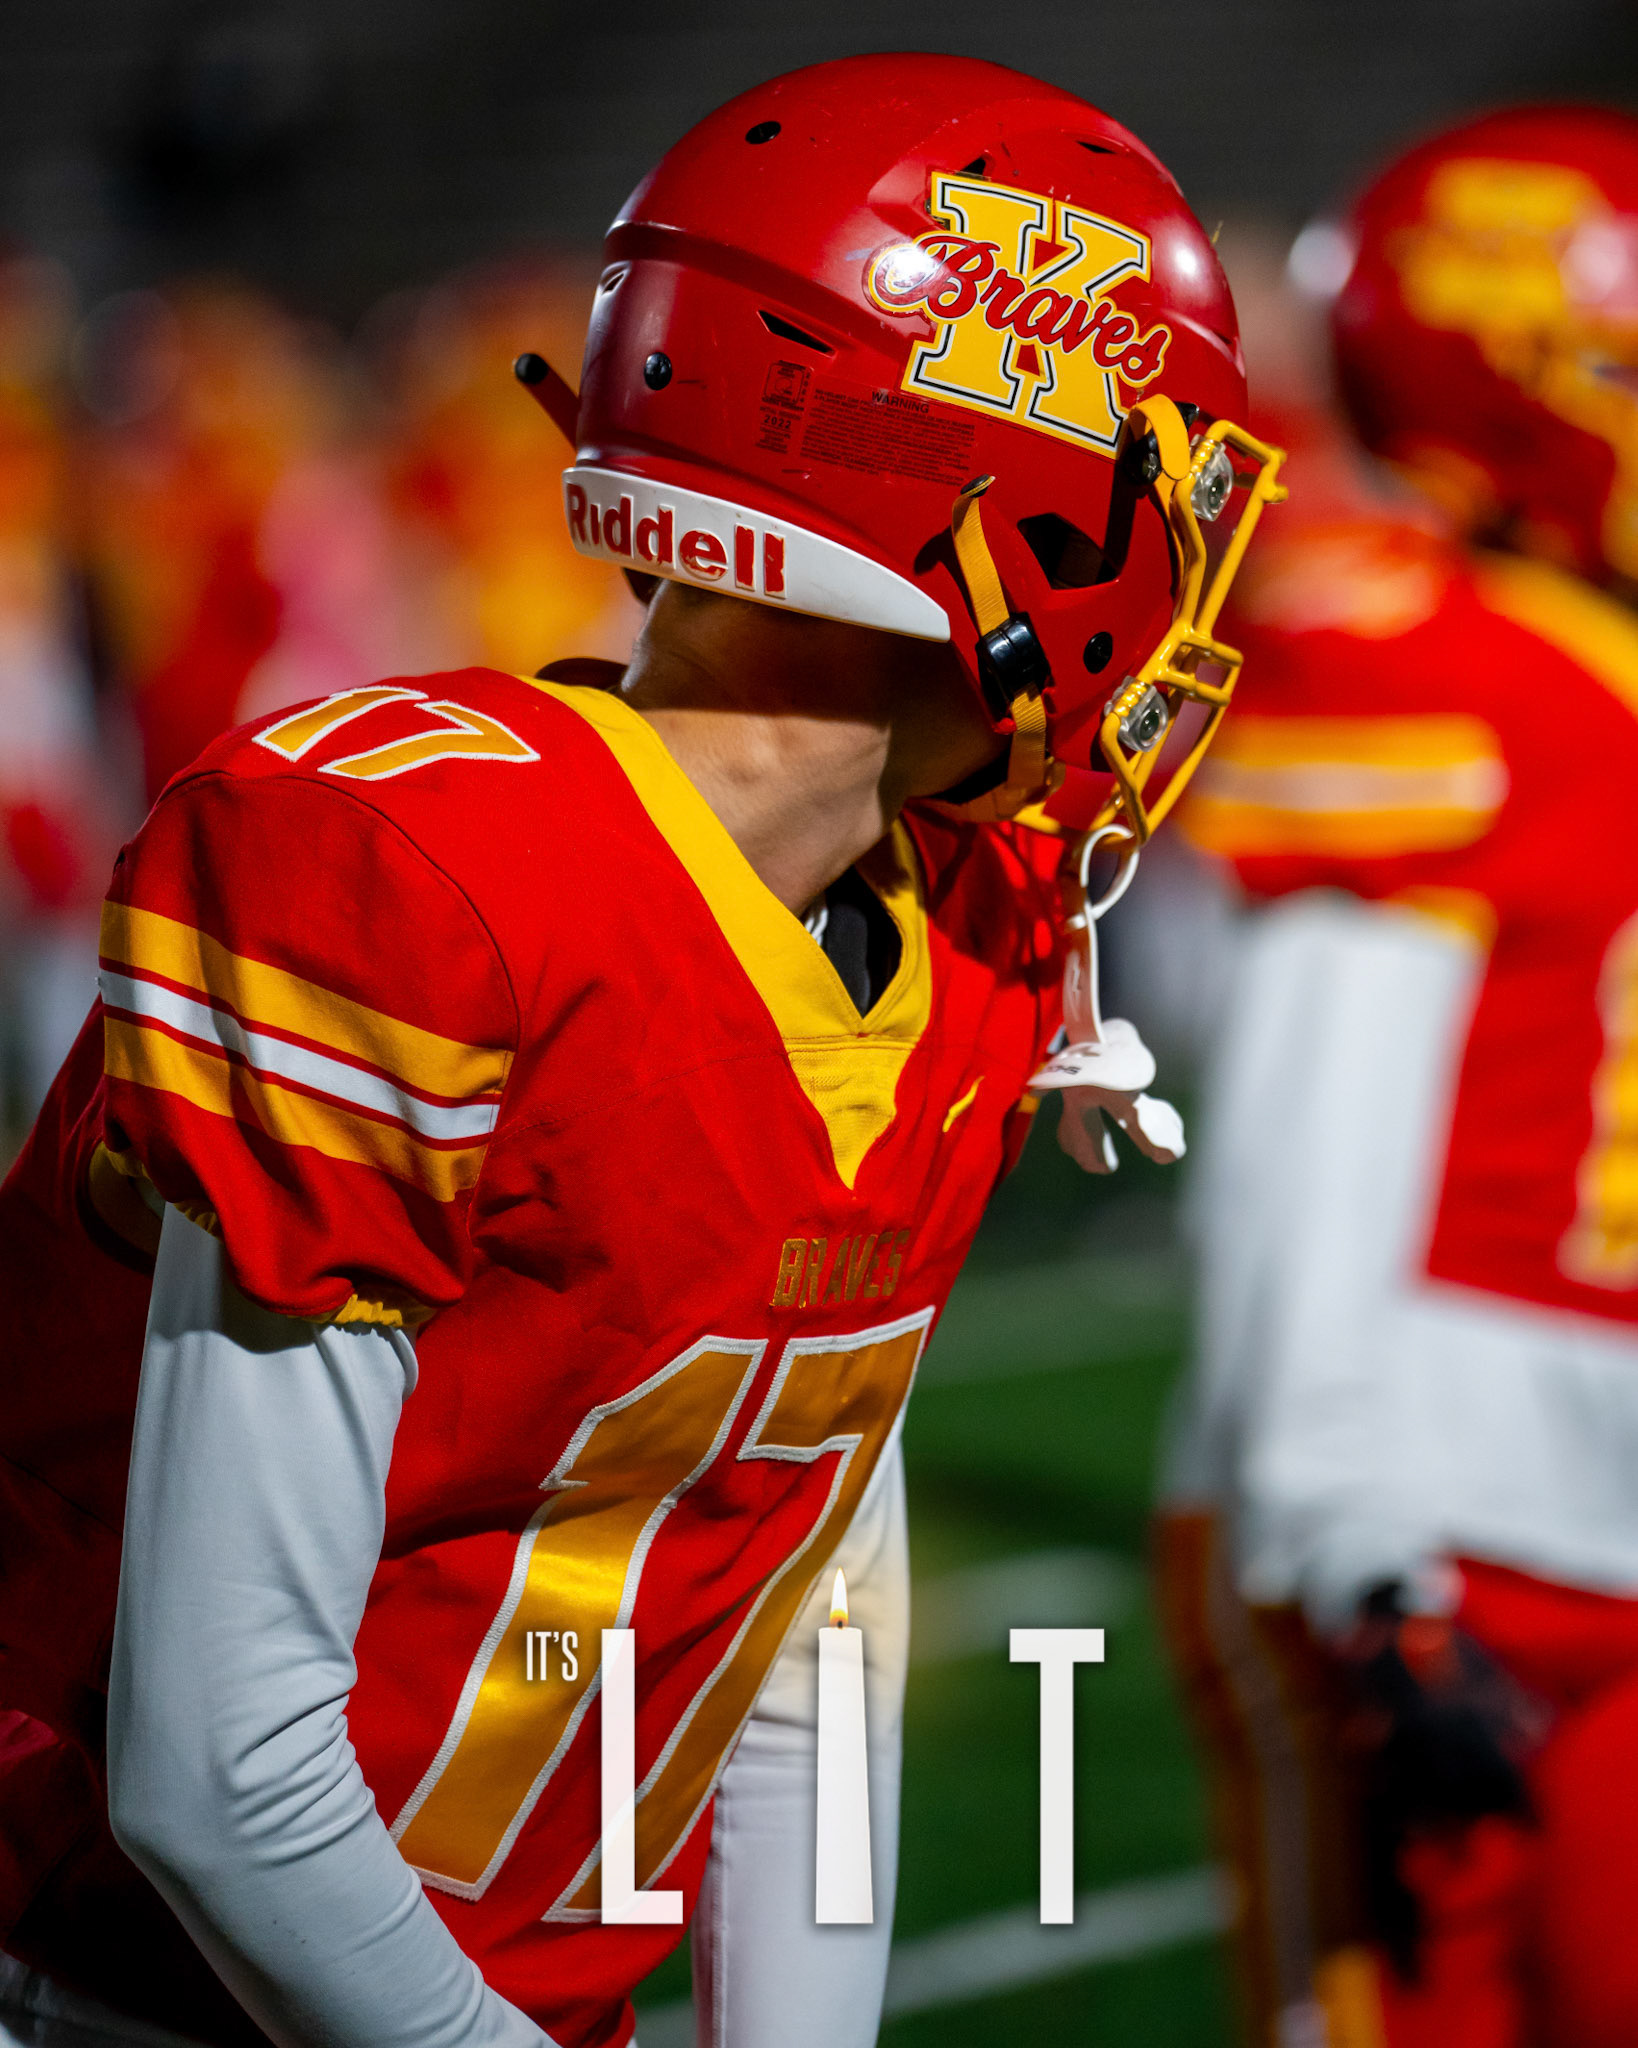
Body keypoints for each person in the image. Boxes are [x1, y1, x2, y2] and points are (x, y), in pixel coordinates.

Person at [0, 54, 1280, 2048]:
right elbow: (217, 1772)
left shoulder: (960, 929)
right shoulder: (416, 878)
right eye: (1153, 486)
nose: (1187, 565)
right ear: (991, 496)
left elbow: (800, 1604)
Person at [1156, 106, 1638, 2048]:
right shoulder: (1442, 666)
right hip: (1418, 1522)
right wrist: (1345, 1538)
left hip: (1602, 1497)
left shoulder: (1583, 662)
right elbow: (1308, 1131)